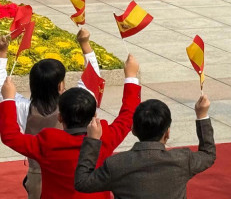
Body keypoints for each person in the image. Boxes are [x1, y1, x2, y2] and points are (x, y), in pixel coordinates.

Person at [0, 54, 140, 199]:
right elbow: (128, 115)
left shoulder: (48, 143)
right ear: (94, 116)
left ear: (60, 118)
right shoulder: (104, 138)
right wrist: (131, 76)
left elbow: (10, 136)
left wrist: (8, 99)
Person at [0, 28, 101, 199]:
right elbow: (93, 79)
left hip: (38, 174)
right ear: (60, 85)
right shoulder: (79, 104)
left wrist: (2, 54)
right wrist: (85, 44)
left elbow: (2, 86)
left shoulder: (23, 108)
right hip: (78, 167)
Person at [74, 96, 215, 198]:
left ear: (133, 129)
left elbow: (82, 183)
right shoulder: (182, 159)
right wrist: (202, 115)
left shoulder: (116, 164)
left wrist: (92, 141)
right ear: (167, 133)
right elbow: (208, 154)